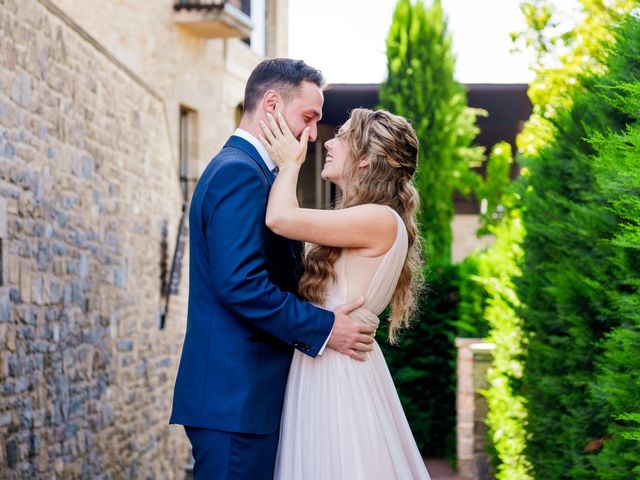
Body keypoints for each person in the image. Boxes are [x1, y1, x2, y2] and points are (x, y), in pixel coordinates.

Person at [169, 59, 377, 480]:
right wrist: (324, 327)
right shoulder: (239, 174)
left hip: (247, 401)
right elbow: (242, 285)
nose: (313, 133)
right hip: (236, 403)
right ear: (270, 104)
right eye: (308, 117)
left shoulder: (255, 174)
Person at [258, 108, 431, 479]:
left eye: (342, 136)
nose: (329, 143)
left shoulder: (379, 219)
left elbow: (280, 219)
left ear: (366, 158)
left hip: (339, 372)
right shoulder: (367, 217)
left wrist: (290, 164)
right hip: (326, 359)